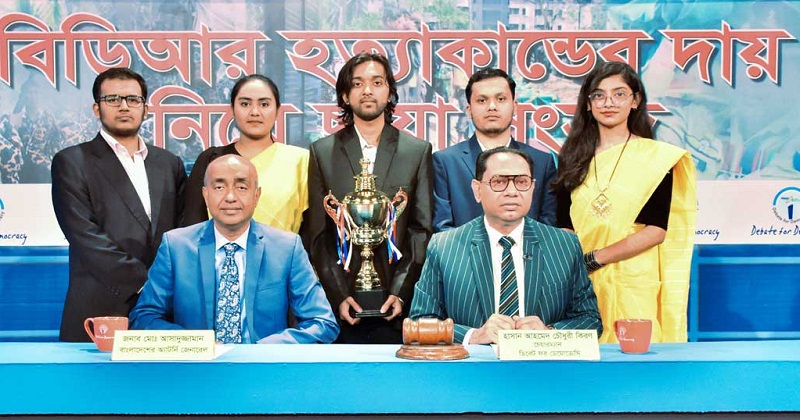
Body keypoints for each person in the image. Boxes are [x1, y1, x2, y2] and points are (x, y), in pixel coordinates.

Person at [553, 61, 697, 343]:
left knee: (635, 358)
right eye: (599, 95)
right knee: (584, 359)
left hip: (633, 279)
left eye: (619, 94)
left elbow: (656, 230)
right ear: (588, 104)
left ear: (635, 101)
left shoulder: (656, 159)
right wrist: (575, 266)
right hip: (581, 282)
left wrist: (595, 259)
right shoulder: (571, 158)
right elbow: (564, 225)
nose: (609, 103)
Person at [130, 155, 339, 344]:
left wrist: (265, 350)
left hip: (263, 368)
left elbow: (322, 322)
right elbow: (144, 317)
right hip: (198, 368)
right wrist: (195, 344)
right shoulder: (176, 246)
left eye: (241, 187)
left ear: (257, 195)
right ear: (205, 195)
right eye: (219, 187)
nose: (230, 197)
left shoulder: (286, 248)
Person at [303, 52, 433, 344]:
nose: (367, 90)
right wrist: (339, 294)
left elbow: (420, 230)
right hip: (342, 308)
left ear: (389, 92)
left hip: (397, 309)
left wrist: (400, 292)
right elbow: (318, 234)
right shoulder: (322, 152)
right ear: (345, 96)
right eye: (358, 83)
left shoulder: (417, 151)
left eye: (377, 82)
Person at [409, 147, 601, 344]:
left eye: (522, 182)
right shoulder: (444, 247)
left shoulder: (564, 246)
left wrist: (549, 333)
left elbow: (590, 320)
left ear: (533, 188)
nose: (512, 192)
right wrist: (474, 335)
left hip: (541, 362)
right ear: (477, 190)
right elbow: (419, 323)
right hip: (473, 362)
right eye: (499, 182)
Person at [51, 67, 187, 342]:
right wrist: (148, 282)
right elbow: (84, 235)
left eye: (133, 99)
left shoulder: (169, 163)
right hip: (101, 305)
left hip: (164, 310)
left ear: (145, 109)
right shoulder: (73, 161)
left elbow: (182, 230)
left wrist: (167, 287)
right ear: (96, 109)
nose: (124, 106)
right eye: (113, 99)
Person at [432, 68, 557, 232]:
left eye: (501, 99)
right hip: (462, 249)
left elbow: (548, 229)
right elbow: (442, 229)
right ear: (469, 110)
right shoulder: (446, 162)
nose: (492, 107)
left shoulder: (542, 162)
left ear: (515, 106)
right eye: (482, 100)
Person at [182, 74, 308, 233]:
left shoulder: (300, 161)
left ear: (277, 110)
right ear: (232, 109)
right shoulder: (211, 160)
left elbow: (312, 230)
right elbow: (192, 228)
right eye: (245, 104)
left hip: (285, 249)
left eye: (264, 104)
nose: (254, 112)